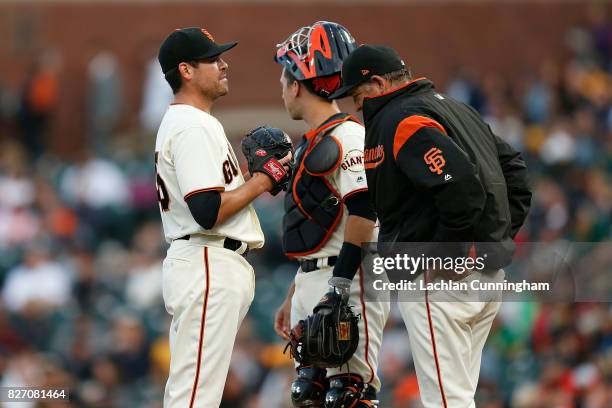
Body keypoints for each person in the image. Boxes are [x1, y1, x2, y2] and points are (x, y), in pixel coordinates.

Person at [329, 45, 531, 407]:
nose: (357, 109)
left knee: (445, 400)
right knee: (458, 396)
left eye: (358, 98)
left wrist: (446, 255)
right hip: (484, 272)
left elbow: (462, 188)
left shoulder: (401, 118)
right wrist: (493, 238)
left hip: (439, 277)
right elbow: (514, 170)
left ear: (376, 83)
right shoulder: (455, 107)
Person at [154, 27, 291, 408]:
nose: (223, 63)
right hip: (207, 261)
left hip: (206, 261)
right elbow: (208, 212)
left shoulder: (190, 122)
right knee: (195, 395)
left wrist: (250, 180)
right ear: (186, 70)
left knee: (196, 390)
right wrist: (263, 180)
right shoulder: (191, 124)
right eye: (213, 59)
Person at [272, 22, 390, 407]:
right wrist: (295, 291)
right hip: (315, 278)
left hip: (351, 276)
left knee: (351, 395)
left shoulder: (349, 136)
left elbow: (364, 213)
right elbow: (321, 226)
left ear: (296, 84)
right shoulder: (312, 141)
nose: (281, 87)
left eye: (284, 76)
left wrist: (338, 283)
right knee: (309, 394)